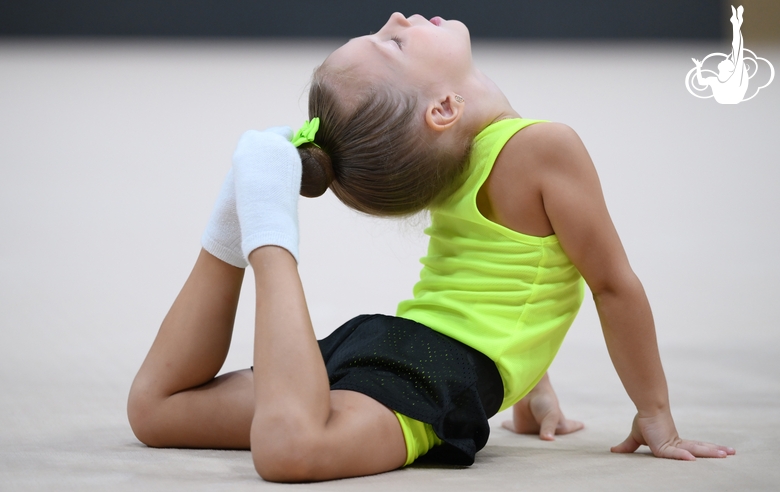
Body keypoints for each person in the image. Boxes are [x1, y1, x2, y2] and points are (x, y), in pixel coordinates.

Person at [126, 12, 735, 483]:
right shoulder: (544, 148)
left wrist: (533, 389)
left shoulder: (465, 151)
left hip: (387, 344)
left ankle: (244, 203)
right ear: (444, 108)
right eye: (391, 44)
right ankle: (264, 231)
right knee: (293, 448)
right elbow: (611, 286)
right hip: (435, 371)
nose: (395, 19)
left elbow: (504, 274)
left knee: (158, 410)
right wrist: (653, 412)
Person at [692, 5, 748, 104]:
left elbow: (737, 48)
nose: (725, 59)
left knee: (737, 49)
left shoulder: (734, 78)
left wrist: (736, 26)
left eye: (726, 61)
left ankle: (736, 24)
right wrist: (698, 67)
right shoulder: (715, 80)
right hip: (725, 104)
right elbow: (701, 82)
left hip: (732, 103)